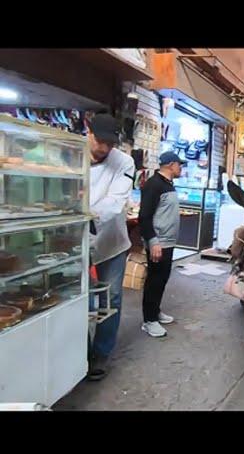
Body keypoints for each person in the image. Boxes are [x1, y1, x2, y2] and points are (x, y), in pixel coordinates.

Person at [87, 113, 135, 381]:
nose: (104, 148)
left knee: (111, 298)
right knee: (74, 298)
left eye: (110, 143)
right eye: (100, 141)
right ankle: (78, 352)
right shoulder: (71, 153)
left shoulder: (124, 162)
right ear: (88, 131)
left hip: (111, 241)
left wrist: (87, 216)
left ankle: (100, 354)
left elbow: (116, 201)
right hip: (74, 241)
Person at [138, 152, 184, 338]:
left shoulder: (167, 184)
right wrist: (153, 241)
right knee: (154, 281)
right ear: (171, 165)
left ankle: (155, 312)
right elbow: (144, 216)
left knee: (162, 279)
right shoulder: (154, 185)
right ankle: (149, 321)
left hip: (168, 241)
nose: (181, 168)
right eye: (179, 165)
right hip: (159, 243)